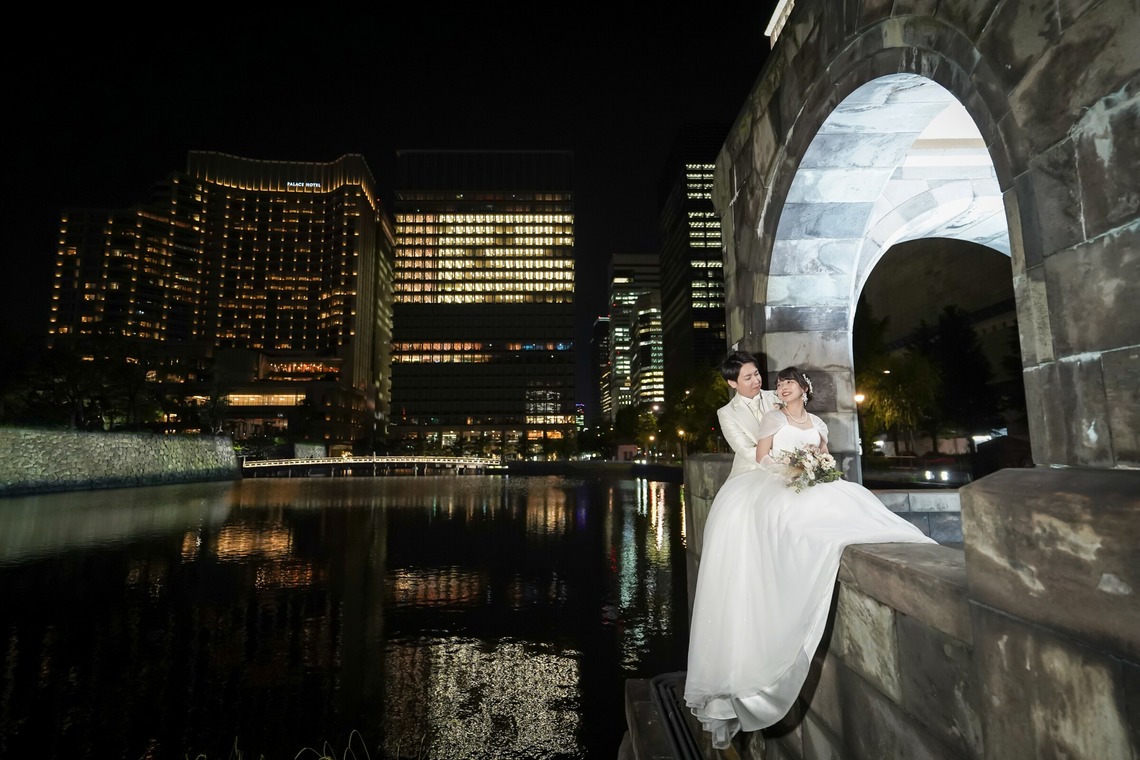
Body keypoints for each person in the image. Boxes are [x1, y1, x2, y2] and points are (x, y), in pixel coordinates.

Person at [684, 366, 937, 750]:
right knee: (789, 517)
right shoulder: (732, 413)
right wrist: (794, 470)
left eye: (760, 374)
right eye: (749, 376)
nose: (763, 381)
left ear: (802, 388)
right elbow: (754, 454)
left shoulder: (784, 401)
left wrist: (817, 468)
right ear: (733, 383)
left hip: (800, 474)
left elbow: (820, 448)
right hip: (758, 478)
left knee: (841, 501)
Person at [716, 350, 780, 480]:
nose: (756, 380)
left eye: (756, 374)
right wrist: (781, 462)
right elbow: (745, 449)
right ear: (733, 383)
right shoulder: (727, 413)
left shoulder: (777, 397)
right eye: (748, 378)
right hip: (750, 474)